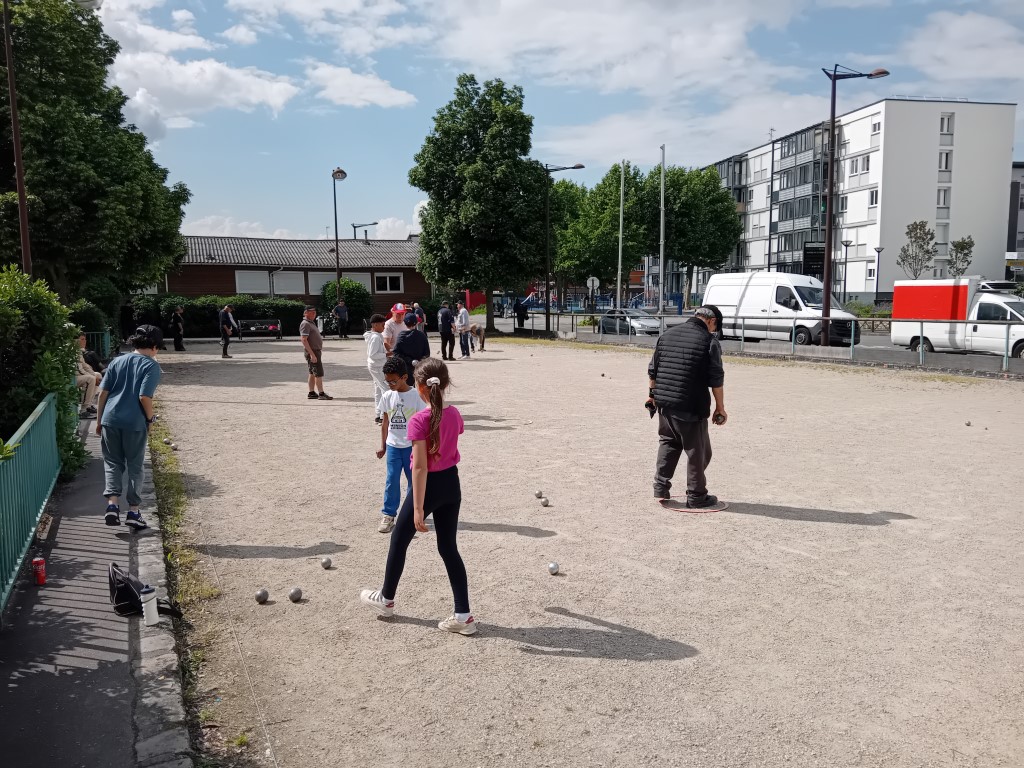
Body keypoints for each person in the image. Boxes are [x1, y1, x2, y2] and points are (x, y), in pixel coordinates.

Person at [360, 358, 476, 635]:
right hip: (452, 484)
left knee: (398, 541)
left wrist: (417, 507)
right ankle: (463, 615)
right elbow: (452, 434)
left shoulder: (419, 420)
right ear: (445, 385)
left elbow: (421, 467)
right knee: (449, 548)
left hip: (429, 486)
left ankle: (386, 599)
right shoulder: (456, 413)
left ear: (420, 388)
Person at [647, 305, 727, 509]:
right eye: (715, 327)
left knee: (668, 442)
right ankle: (696, 496)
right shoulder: (709, 341)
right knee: (698, 451)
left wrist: (652, 396)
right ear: (712, 321)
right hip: (690, 405)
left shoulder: (667, 335)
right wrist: (720, 407)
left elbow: (652, 370)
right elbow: (716, 379)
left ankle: (660, 487)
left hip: (664, 403)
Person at [95, 325, 162, 530]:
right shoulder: (151, 366)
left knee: (113, 463)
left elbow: (102, 393)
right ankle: (133, 511)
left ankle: (113, 506)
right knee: (135, 466)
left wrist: (99, 421)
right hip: (134, 422)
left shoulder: (117, 361)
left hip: (110, 419)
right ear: (153, 346)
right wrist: (150, 420)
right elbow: (144, 397)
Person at [374, 357, 427, 534]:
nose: (389, 384)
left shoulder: (417, 397)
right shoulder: (387, 396)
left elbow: (424, 423)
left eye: (393, 380)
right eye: (387, 381)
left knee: (414, 482)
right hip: (393, 447)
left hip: (412, 447)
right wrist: (382, 446)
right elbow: (385, 423)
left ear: (405, 377)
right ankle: (389, 515)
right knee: (391, 481)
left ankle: (413, 513)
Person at [300, 306, 333, 400]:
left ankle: (311, 392)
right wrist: (312, 354)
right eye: (312, 312)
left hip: (315, 350)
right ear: (306, 313)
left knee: (312, 372)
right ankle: (321, 394)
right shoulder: (305, 324)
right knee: (318, 372)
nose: (314, 314)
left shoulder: (310, 323)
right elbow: (304, 339)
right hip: (313, 351)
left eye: (315, 312)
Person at [393, 313, 431, 386]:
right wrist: (419, 362)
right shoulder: (422, 335)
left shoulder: (401, 336)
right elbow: (427, 354)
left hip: (405, 369)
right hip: (420, 368)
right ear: (416, 323)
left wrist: (410, 361)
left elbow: (396, 353)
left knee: (407, 390)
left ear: (404, 323)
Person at [364, 313, 388, 424]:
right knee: (385, 389)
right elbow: (372, 354)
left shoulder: (377, 336)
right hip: (377, 366)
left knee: (378, 390)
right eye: (382, 325)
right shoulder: (375, 337)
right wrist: (386, 355)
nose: (384, 327)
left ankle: (378, 415)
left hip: (377, 365)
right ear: (375, 325)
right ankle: (384, 414)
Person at [76, 336, 102, 418]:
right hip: (72, 378)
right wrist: (92, 377)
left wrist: (94, 376)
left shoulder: (78, 351)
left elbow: (85, 366)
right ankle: (83, 411)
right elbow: (78, 370)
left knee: (97, 375)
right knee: (90, 379)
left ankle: (88, 405)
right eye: (82, 339)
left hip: (78, 375)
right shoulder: (73, 351)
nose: (85, 341)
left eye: (85, 339)